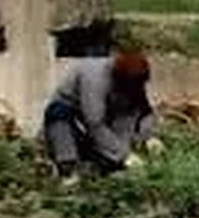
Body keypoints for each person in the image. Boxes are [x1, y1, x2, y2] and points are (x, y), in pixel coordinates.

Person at [43, 48, 160, 182]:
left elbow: (138, 113)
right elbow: (94, 123)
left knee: (111, 163)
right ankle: (68, 168)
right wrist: (125, 155)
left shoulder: (133, 84)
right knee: (58, 113)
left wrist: (146, 137)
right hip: (68, 115)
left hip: (99, 119)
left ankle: (98, 166)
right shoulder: (94, 77)